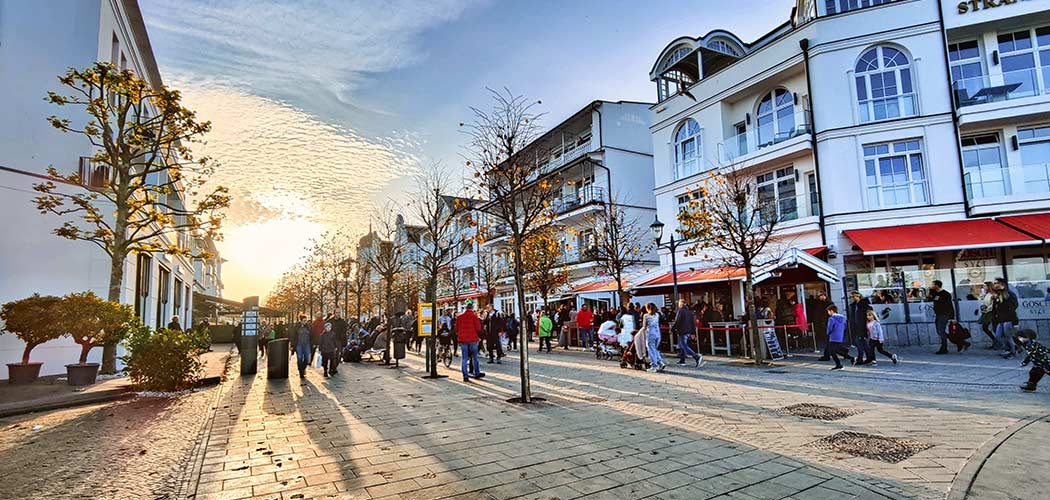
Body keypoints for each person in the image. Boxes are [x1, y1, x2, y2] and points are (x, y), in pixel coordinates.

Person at [456, 302, 485, 382]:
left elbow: (456, 329)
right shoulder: (474, 317)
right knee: (475, 357)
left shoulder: (460, 317)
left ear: (465, 308)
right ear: (472, 308)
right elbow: (478, 328)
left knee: (464, 358)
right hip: (473, 339)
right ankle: (477, 373)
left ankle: (465, 376)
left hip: (463, 340)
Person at [992, 278, 1020, 359]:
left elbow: (1014, 306)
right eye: (994, 283)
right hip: (1000, 319)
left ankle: (1012, 352)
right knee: (998, 336)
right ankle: (1013, 348)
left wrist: (1014, 321)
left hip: (1009, 319)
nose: (995, 285)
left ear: (1002, 284)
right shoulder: (997, 295)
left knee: (1008, 336)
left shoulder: (1009, 294)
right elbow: (995, 308)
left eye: (997, 283)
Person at [672, 299, 703, 367]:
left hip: (682, 330)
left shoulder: (680, 311)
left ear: (680, 304)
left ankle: (696, 356)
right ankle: (682, 360)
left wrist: (672, 329)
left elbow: (677, 321)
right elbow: (692, 323)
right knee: (683, 345)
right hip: (688, 330)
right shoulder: (689, 312)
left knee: (683, 345)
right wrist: (693, 332)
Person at [930, 280, 959, 354]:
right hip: (938, 315)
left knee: (941, 331)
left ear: (937, 285)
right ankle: (959, 342)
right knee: (939, 331)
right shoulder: (936, 293)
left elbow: (950, 305)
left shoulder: (946, 294)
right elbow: (930, 297)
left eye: (933, 285)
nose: (931, 286)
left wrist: (952, 317)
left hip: (944, 314)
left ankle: (944, 348)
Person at [825, 304, 854, 370]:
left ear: (832, 311)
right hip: (839, 335)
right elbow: (845, 326)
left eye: (828, 311)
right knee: (836, 349)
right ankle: (848, 357)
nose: (828, 313)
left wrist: (828, 333)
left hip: (833, 336)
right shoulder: (843, 318)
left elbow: (829, 328)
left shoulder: (831, 318)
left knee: (832, 351)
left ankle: (840, 364)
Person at [847, 291, 872, 365]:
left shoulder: (864, 304)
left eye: (854, 296)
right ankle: (869, 358)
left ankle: (860, 359)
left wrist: (867, 324)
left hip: (862, 326)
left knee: (859, 343)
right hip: (856, 326)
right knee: (862, 343)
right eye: (852, 297)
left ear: (858, 296)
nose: (853, 298)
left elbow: (869, 313)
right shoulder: (853, 305)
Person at [642, 303, 666, 373]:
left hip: (650, 334)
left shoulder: (646, 316)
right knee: (655, 349)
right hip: (658, 334)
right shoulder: (657, 315)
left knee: (651, 351)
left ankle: (654, 366)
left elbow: (644, 326)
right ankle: (660, 362)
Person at [809, 293, 832, 360]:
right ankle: (843, 352)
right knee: (828, 341)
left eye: (820, 296)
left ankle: (827, 355)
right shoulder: (820, 303)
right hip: (823, 324)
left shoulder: (828, 303)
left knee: (828, 341)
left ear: (824, 295)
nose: (818, 297)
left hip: (826, 324)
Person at [293, 315, 313, 381]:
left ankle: (303, 368)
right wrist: (292, 345)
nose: (305, 322)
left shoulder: (309, 326)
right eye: (304, 320)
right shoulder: (296, 327)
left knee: (307, 358)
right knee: (299, 358)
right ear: (301, 320)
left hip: (307, 344)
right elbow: (293, 336)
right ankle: (301, 372)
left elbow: (312, 334)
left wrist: (313, 343)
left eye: (306, 320)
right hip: (299, 344)